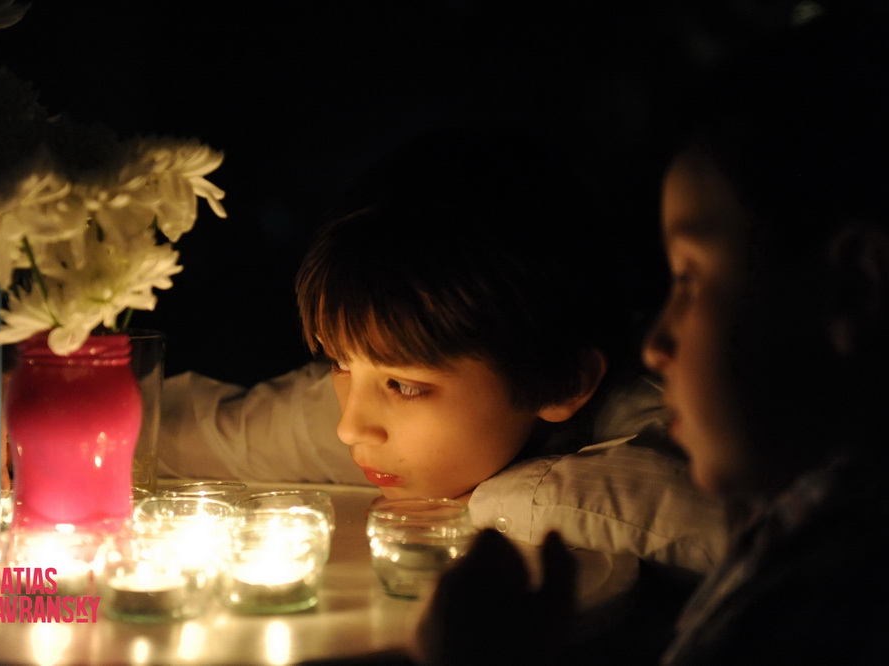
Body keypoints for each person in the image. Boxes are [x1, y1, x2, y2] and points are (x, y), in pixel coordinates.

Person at [416, 7, 889, 665]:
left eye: (690, 281)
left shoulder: (835, 600)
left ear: (855, 287)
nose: (655, 345)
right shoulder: (788, 537)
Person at [159, 129, 728, 575]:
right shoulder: (380, 421)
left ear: (564, 382)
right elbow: (183, 432)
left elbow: (736, 523)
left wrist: (500, 500)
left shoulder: (683, 424)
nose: (350, 428)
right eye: (339, 362)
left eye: (404, 386)